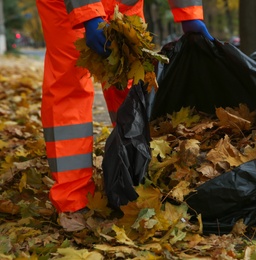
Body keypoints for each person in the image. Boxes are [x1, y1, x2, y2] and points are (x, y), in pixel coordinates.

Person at [36, 0, 213, 231]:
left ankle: (134, 181)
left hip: (124, 5)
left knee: (132, 86)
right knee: (70, 87)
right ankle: (72, 199)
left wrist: (189, 14)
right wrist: (87, 14)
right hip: (65, 5)